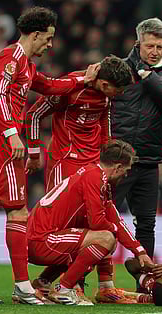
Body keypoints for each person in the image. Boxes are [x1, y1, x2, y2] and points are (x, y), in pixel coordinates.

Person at [0, 6, 100, 305]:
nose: (50, 45)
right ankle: (23, 288)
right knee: (18, 213)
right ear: (36, 34)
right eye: (48, 38)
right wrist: (12, 133)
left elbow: (50, 86)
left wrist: (82, 81)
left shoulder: (25, 65)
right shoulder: (11, 58)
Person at [24, 55, 133, 300]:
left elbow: (104, 126)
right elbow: (33, 115)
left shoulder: (105, 96)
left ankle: (105, 286)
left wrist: (107, 157)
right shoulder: (71, 86)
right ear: (105, 84)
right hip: (65, 162)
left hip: (95, 163)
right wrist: (33, 152)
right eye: (118, 89)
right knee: (67, 228)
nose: (120, 94)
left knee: (101, 218)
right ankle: (71, 286)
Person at [26, 140, 154, 305]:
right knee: (105, 238)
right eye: (126, 170)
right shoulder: (94, 178)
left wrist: (140, 251)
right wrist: (114, 232)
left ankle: (42, 284)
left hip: (43, 238)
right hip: (42, 241)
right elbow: (97, 222)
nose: (126, 175)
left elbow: (115, 219)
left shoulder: (95, 176)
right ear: (117, 168)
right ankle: (64, 289)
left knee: (104, 235)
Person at [111, 17, 162, 259]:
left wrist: (149, 76)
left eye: (160, 47)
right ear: (138, 43)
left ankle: (145, 285)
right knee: (100, 220)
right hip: (116, 161)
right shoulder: (119, 69)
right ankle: (81, 283)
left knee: (146, 225)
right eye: (150, 46)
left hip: (148, 161)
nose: (155, 52)